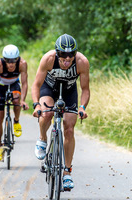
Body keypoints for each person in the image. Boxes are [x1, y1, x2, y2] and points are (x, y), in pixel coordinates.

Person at [31, 34, 90, 190]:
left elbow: (85, 89)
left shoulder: (81, 62)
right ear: (57, 53)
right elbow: (36, 85)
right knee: (47, 114)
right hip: (48, 88)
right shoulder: (48, 59)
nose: (67, 59)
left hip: (69, 92)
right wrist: (37, 105)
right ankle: (42, 139)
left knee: (69, 130)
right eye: (63, 55)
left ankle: (67, 173)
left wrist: (82, 107)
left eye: (71, 55)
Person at [0, 44, 28, 161]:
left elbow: (25, 83)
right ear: (4, 59)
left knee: (16, 99)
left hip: (13, 84)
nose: (11, 64)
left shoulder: (22, 64)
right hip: (0, 87)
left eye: (13, 61)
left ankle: (16, 121)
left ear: (17, 59)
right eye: (8, 61)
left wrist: (23, 100)